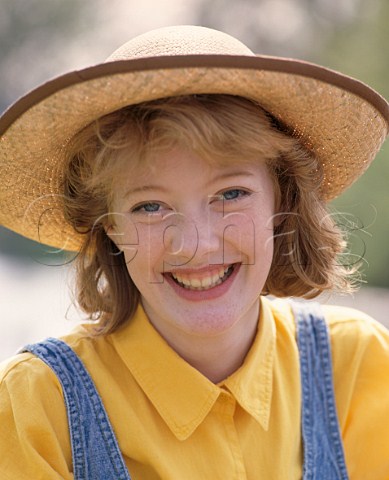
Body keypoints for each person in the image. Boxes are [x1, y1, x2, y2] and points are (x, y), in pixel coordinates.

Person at [0, 25, 388, 480]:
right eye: (150, 206)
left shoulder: (358, 365)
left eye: (230, 194)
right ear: (110, 228)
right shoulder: (35, 407)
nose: (196, 244)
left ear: (281, 201)